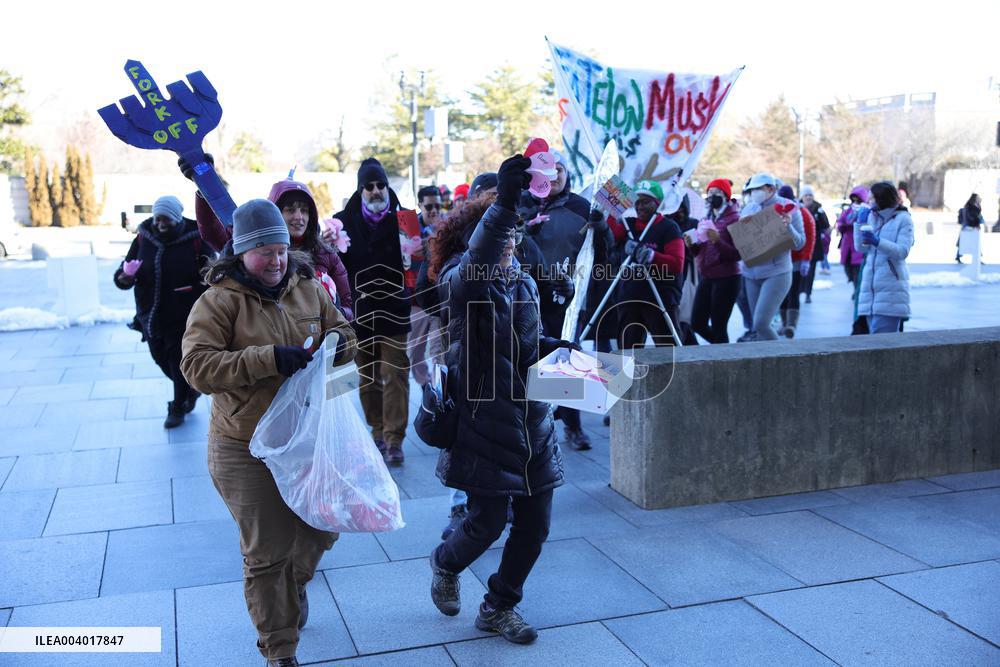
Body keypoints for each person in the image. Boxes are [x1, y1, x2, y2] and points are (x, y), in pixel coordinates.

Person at [180, 199, 357, 667]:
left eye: (281, 249)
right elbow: (196, 367)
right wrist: (267, 358)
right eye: (265, 252)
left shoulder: (308, 289)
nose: (277, 260)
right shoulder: (218, 301)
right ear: (241, 254)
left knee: (322, 529)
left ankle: (293, 584)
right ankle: (280, 650)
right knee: (267, 552)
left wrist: (340, 347)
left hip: (306, 438)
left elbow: (342, 332)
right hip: (244, 446)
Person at [426, 155, 573, 645]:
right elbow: (480, 260)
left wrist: (557, 352)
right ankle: (444, 563)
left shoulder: (525, 282)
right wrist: (506, 205)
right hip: (484, 423)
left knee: (535, 528)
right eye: (501, 235)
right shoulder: (461, 281)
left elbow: (525, 347)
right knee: (486, 523)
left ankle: (499, 605)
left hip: (533, 422)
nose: (510, 245)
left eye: (515, 237)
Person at [180, 156, 354, 322]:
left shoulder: (326, 254)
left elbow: (347, 307)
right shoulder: (250, 242)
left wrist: (331, 311)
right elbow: (211, 232)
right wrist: (206, 184)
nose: (299, 217)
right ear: (275, 212)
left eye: (304, 210)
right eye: (290, 210)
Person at [517, 152, 604, 451]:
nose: (553, 176)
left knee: (565, 357)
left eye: (560, 170)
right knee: (527, 359)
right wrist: (526, 231)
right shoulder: (521, 205)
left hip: (564, 297)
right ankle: (531, 424)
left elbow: (603, 255)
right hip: (522, 296)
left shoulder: (582, 207)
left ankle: (573, 426)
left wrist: (601, 228)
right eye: (547, 170)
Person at [333, 158, 415, 465]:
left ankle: (395, 438)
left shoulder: (406, 219)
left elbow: (417, 260)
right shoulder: (341, 222)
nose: (376, 191)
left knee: (395, 374)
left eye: (381, 184)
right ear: (360, 190)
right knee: (367, 377)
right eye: (369, 186)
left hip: (394, 309)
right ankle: (378, 432)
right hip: (360, 314)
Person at [114, 195, 213, 428]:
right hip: (150, 313)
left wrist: (203, 284)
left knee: (177, 359)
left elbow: (212, 269)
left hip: (184, 313)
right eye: (158, 218)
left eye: (166, 219)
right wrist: (125, 277)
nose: (161, 223)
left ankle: (177, 406)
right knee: (160, 358)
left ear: (177, 218)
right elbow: (125, 269)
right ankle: (190, 390)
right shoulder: (143, 237)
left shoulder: (195, 236)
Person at [608, 180, 685, 350]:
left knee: (669, 351)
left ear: (657, 204)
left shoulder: (668, 227)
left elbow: (677, 264)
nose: (640, 206)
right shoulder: (629, 225)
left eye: (645, 202)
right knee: (627, 352)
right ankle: (630, 378)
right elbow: (609, 234)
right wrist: (605, 212)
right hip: (630, 297)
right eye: (636, 202)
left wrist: (650, 256)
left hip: (660, 298)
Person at [738, 173, 805, 341]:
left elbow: (800, 244)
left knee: (762, 323)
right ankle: (766, 364)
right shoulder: (748, 208)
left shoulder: (789, 208)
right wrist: (743, 230)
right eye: (751, 190)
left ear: (771, 189)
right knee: (757, 326)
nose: (754, 193)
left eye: (758, 189)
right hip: (751, 274)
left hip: (777, 273)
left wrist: (787, 225)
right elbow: (741, 244)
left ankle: (785, 362)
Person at [854, 181, 914, 333]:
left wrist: (877, 241)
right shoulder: (872, 217)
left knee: (883, 344)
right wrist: (859, 223)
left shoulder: (903, 219)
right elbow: (860, 247)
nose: (868, 203)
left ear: (882, 199)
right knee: (872, 343)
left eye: (871, 199)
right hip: (871, 293)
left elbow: (902, 251)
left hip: (891, 292)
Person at [687, 179, 741, 343]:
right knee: (697, 323)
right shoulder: (705, 218)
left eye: (716, 193)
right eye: (709, 193)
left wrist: (717, 240)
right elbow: (699, 251)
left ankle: (723, 357)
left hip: (727, 278)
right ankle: (722, 350)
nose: (712, 196)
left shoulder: (735, 218)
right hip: (707, 276)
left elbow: (738, 254)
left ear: (725, 196)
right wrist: (691, 245)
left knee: (719, 325)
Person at [408, 185, 446, 388]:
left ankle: (442, 391)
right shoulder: (407, 230)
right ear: (419, 205)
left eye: (437, 206)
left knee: (439, 352)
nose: (434, 211)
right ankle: (427, 387)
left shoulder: (449, 225)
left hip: (440, 302)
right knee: (415, 355)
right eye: (429, 206)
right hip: (416, 301)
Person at [777, 184, 815, 338]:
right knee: (782, 293)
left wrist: (806, 258)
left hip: (797, 260)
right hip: (781, 260)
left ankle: (791, 324)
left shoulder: (802, 213)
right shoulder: (776, 211)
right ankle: (784, 323)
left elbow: (810, 237)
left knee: (793, 292)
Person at [799, 185, 831, 302]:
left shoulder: (819, 209)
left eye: (810, 195)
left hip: (814, 244)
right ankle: (799, 291)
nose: (808, 197)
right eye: (806, 195)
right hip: (799, 244)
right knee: (798, 271)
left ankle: (808, 293)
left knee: (811, 270)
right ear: (802, 197)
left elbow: (826, 226)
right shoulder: (797, 207)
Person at [837, 186, 868, 294]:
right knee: (847, 267)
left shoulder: (865, 210)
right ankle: (853, 283)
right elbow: (841, 221)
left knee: (857, 269)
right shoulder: (848, 210)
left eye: (857, 199)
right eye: (853, 199)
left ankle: (857, 290)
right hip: (847, 243)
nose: (855, 201)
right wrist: (843, 225)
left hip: (858, 243)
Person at [956, 193, 985, 263]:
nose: (979, 199)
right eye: (978, 197)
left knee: (972, 242)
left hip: (971, 226)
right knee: (967, 242)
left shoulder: (975, 205)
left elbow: (977, 215)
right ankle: (958, 256)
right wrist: (976, 224)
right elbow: (971, 217)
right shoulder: (970, 206)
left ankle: (977, 258)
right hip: (969, 226)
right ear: (975, 198)